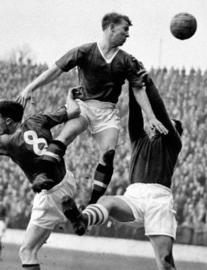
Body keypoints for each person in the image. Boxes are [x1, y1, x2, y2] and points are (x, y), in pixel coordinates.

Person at [18, 12, 166, 204]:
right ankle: (42, 176)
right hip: (83, 106)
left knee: (108, 153)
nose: (128, 35)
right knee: (64, 138)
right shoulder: (85, 51)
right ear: (111, 28)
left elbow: (138, 89)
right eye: (125, 30)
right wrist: (30, 87)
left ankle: (91, 204)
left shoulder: (127, 60)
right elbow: (55, 70)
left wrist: (152, 117)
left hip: (107, 112)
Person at [61, 61, 182, 270]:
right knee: (107, 201)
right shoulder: (139, 139)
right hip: (134, 195)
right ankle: (82, 219)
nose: (157, 125)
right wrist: (132, 81)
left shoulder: (173, 143)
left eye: (168, 125)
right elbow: (135, 114)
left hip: (159, 200)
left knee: (164, 263)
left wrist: (149, 84)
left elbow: (160, 112)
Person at [0, 89, 80, 270]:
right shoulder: (37, 119)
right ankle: (73, 213)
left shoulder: (7, 141)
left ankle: (70, 215)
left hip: (49, 195)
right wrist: (69, 96)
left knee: (26, 251)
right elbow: (74, 111)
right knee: (36, 243)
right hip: (67, 180)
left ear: (8, 121)